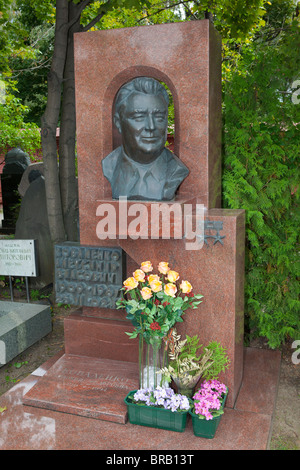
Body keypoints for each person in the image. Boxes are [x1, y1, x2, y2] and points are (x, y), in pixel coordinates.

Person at [102, 77, 189, 201]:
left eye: (159, 117)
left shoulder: (176, 170)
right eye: (139, 117)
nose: (151, 127)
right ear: (118, 123)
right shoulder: (109, 166)